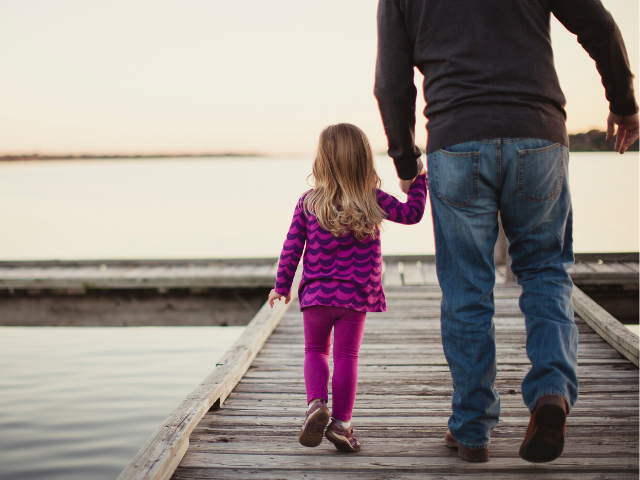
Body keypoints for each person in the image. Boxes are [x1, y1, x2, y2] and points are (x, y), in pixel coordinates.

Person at [374, 0, 638, 464]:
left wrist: (403, 157)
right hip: (537, 135)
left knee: (466, 287)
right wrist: (624, 103)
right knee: (545, 271)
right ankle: (552, 391)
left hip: (456, 141)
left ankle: (472, 429)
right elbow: (599, 26)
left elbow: (390, 80)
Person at [268, 123, 427, 452]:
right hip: (355, 296)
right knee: (346, 357)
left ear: (322, 161)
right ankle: (341, 423)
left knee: (315, 351)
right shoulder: (372, 200)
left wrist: (281, 285)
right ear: (364, 160)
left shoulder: (309, 203)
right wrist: (419, 179)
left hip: (315, 296)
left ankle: (315, 405)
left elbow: (291, 247)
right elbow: (412, 214)